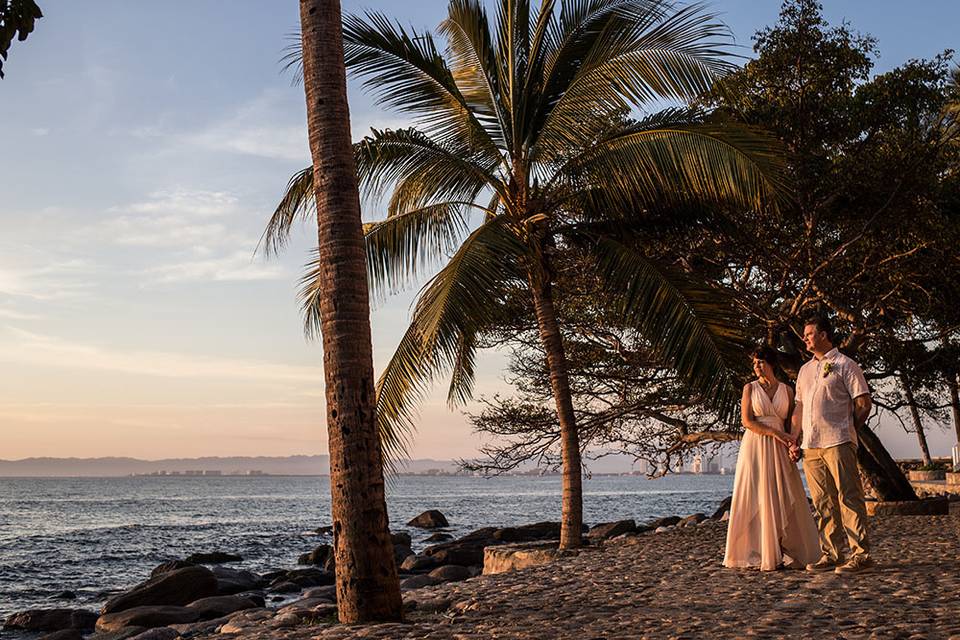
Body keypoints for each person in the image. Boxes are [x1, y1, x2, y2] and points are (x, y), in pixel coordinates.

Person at [723, 346, 821, 571]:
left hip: (780, 447)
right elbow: (747, 421)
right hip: (756, 445)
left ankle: (781, 547)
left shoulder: (786, 390)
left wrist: (792, 443)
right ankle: (760, 550)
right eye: (754, 363)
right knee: (755, 493)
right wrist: (778, 435)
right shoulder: (749, 388)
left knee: (781, 494)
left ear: (771, 363)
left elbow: (791, 424)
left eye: (760, 362)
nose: (756, 366)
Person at [793, 315, 873, 574]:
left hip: (838, 441)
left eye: (809, 334)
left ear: (824, 335)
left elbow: (863, 403)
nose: (804, 338)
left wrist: (848, 429)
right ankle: (832, 553)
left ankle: (861, 554)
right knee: (823, 502)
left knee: (849, 497)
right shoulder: (805, 370)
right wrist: (795, 438)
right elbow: (800, 406)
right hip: (811, 446)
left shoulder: (846, 365)